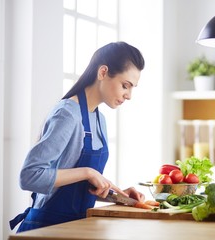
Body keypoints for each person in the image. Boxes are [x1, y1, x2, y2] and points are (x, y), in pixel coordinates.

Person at [9, 41, 146, 232]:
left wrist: (119, 195)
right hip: (46, 229)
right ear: (103, 72)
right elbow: (29, 177)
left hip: (76, 228)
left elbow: (81, 187)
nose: (129, 95)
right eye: (125, 85)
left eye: (132, 88)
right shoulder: (67, 114)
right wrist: (87, 172)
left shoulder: (99, 119)